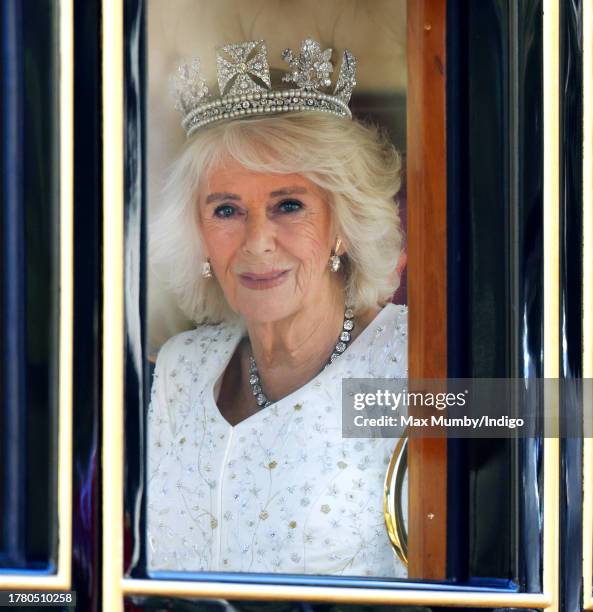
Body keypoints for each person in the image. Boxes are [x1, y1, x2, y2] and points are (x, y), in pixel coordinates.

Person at [146, 38, 408, 577]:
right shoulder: (181, 369)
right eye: (227, 210)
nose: (258, 242)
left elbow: (561, 427)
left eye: (289, 205)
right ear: (198, 234)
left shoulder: (409, 363)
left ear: (341, 226)